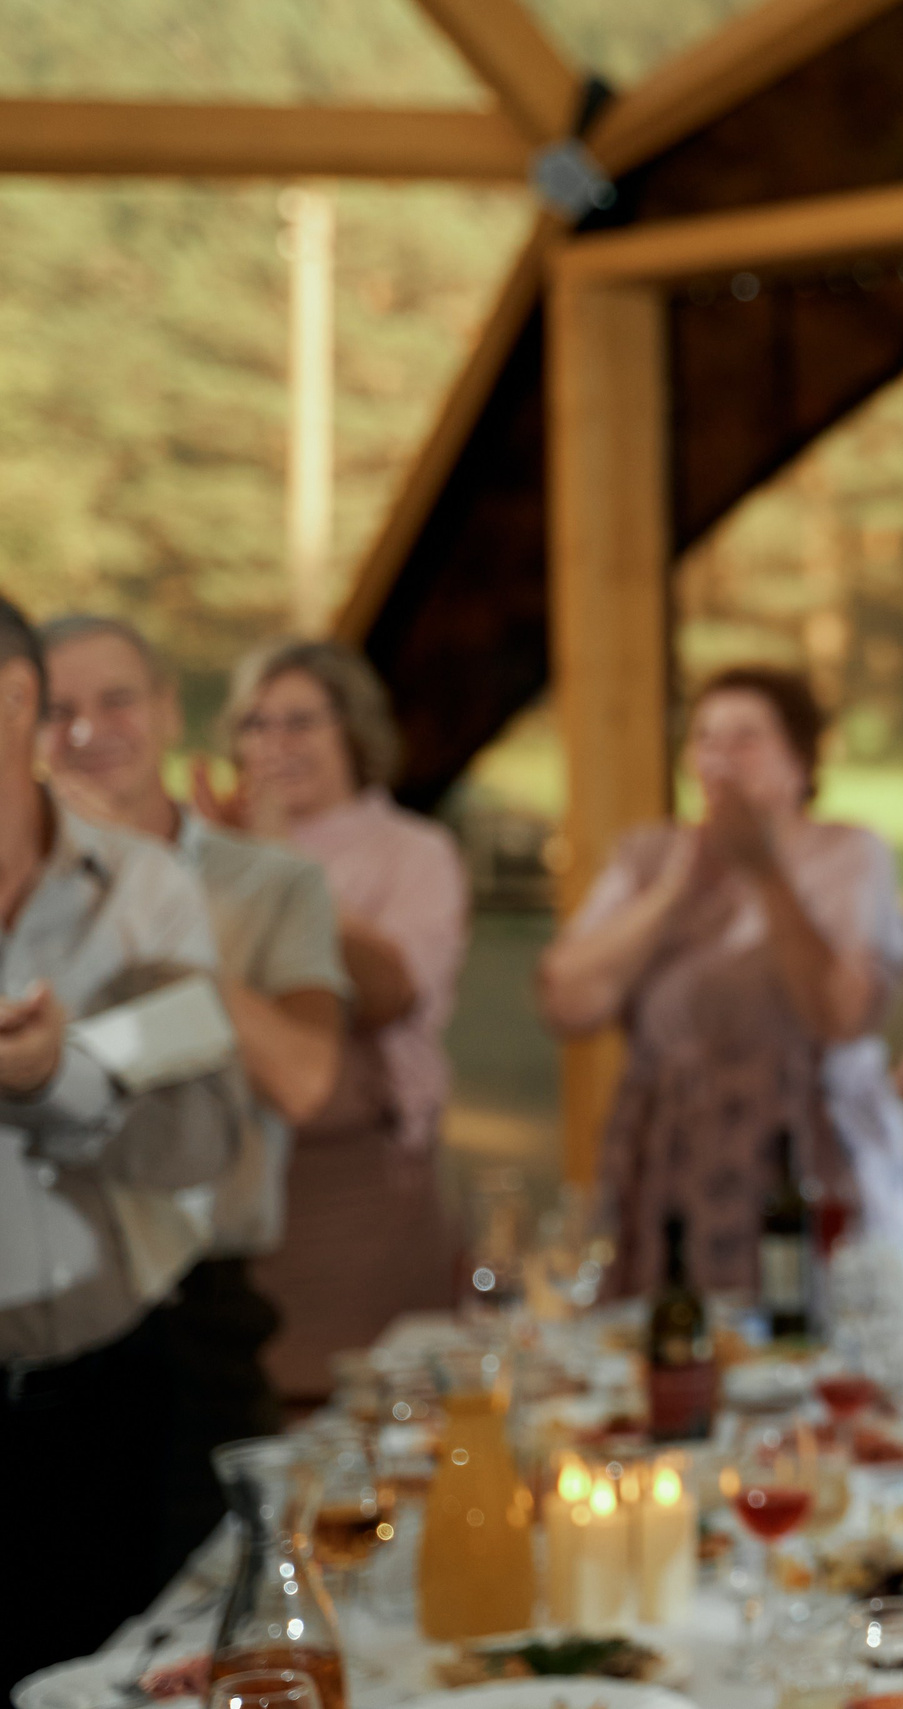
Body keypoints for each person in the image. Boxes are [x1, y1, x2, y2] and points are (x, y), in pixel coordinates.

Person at [38, 613, 349, 1580]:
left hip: (199, 1323)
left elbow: (302, 1076)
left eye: (117, 698)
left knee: (221, 1626)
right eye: (57, 708)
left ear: (171, 712)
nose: (89, 728)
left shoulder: (275, 883)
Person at [0, 595, 240, 1686]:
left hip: (102, 1388)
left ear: (13, 700)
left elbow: (193, 1138)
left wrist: (55, 1075)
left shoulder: (143, 891)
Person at [539, 667, 903, 1294]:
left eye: (746, 738)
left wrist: (764, 872)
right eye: (706, 738)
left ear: (799, 759)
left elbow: (841, 1015)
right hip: (672, 1153)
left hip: (800, 1155)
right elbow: (568, 1002)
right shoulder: (650, 854)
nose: (721, 757)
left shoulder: (848, 855)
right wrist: (670, 894)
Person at [209, 640, 469, 1400]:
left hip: (360, 1194)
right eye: (256, 725)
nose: (275, 745)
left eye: (300, 723)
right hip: (242, 1181)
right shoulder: (211, 855)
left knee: (366, 1410)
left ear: (352, 730)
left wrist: (278, 861)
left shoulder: (413, 852)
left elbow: (395, 992)